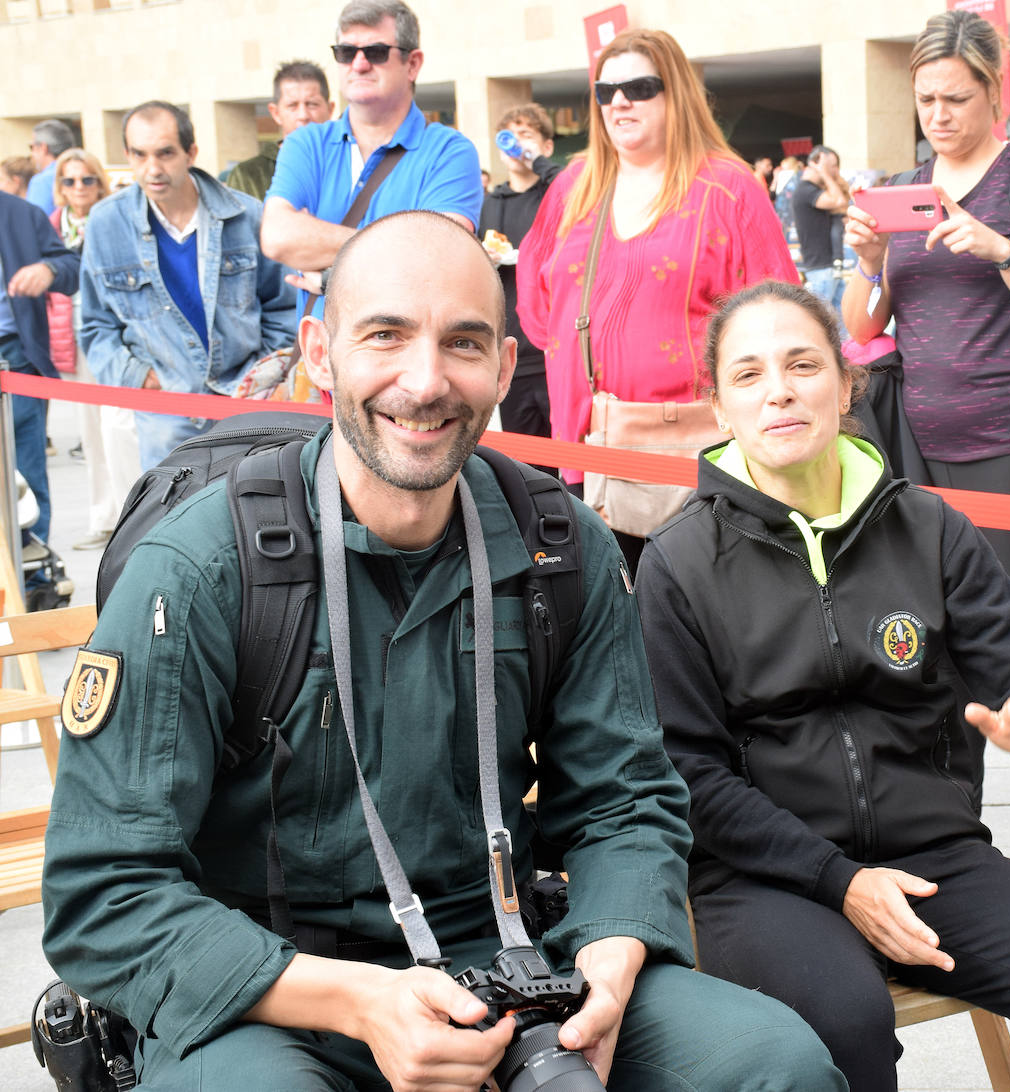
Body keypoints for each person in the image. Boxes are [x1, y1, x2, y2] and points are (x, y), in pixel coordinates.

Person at [41, 209, 845, 1092]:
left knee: (778, 1066)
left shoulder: (560, 547)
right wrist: (357, 1003)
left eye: (463, 343)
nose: (425, 382)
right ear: (319, 352)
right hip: (268, 989)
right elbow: (103, 894)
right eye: (385, 335)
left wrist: (610, 960)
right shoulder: (199, 571)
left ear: (504, 366)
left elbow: (626, 800)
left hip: (506, 959)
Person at [635, 280, 1010, 1092]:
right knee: (842, 1023)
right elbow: (690, 778)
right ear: (719, 407)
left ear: (848, 384)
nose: (778, 389)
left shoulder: (928, 526)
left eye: (802, 364)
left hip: (933, 857)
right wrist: (839, 882)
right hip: (764, 878)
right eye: (747, 375)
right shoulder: (677, 562)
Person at [841, 8, 1010, 887]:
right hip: (917, 443)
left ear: (994, 94)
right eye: (926, 100)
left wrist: (1000, 248)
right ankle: (954, 828)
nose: (938, 115)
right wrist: (867, 260)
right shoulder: (902, 188)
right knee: (932, 642)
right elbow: (863, 329)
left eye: (955, 98)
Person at [517, 27, 797, 570]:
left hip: (696, 450)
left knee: (695, 619)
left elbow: (777, 317)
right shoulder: (574, 187)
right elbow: (535, 299)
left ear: (676, 92)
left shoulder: (728, 188)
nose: (620, 101)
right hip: (588, 446)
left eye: (640, 86)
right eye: (606, 91)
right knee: (603, 614)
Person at [81, 101, 296, 469]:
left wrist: (263, 373)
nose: (153, 169)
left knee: (249, 515)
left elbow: (284, 306)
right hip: (164, 411)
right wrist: (140, 378)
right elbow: (95, 325)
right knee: (169, 519)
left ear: (191, 153)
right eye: (140, 154)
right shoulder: (106, 223)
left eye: (165, 153)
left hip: (246, 405)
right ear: (127, 155)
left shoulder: (246, 216)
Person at [261, 0, 483, 323]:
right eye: (346, 53)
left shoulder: (450, 152)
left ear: (412, 64)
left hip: (404, 364)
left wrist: (328, 276)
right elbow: (277, 236)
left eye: (376, 52)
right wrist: (399, 248)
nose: (359, 64)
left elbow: (437, 261)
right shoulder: (305, 144)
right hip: (319, 364)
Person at [45, 148, 143, 552]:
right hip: (73, 337)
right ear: (60, 188)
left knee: (119, 426)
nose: (79, 188)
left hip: (113, 337)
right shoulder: (52, 225)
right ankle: (102, 516)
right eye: (69, 181)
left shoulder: (113, 219)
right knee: (91, 431)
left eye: (86, 179)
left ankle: (131, 512)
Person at [0, 188, 79, 585]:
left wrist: (48, 271)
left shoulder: (21, 214)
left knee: (26, 474)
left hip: (15, 359)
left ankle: (32, 578)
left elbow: (70, 267)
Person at [477, 102, 562, 443]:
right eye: (509, 136)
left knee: (572, 461)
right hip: (513, 353)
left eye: (526, 135)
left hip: (555, 351)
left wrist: (535, 162)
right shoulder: (490, 202)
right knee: (526, 463)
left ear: (547, 146)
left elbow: (573, 185)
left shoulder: (556, 194)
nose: (516, 143)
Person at [226, 60, 334, 200]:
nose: (303, 115)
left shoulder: (349, 162)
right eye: (292, 106)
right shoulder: (247, 175)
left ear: (330, 109)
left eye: (312, 104)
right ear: (275, 112)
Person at [792, 145, 851, 324]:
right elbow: (839, 200)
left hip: (828, 267)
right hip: (820, 268)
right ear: (816, 164)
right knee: (821, 325)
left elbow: (842, 205)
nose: (835, 171)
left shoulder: (813, 190)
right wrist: (824, 173)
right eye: (831, 165)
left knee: (842, 326)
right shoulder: (805, 189)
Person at [26, 118, 76, 214]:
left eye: (32, 147)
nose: (31, 154)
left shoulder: (42, 181)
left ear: (43, 148)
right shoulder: (88, 173)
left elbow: (35, 222)